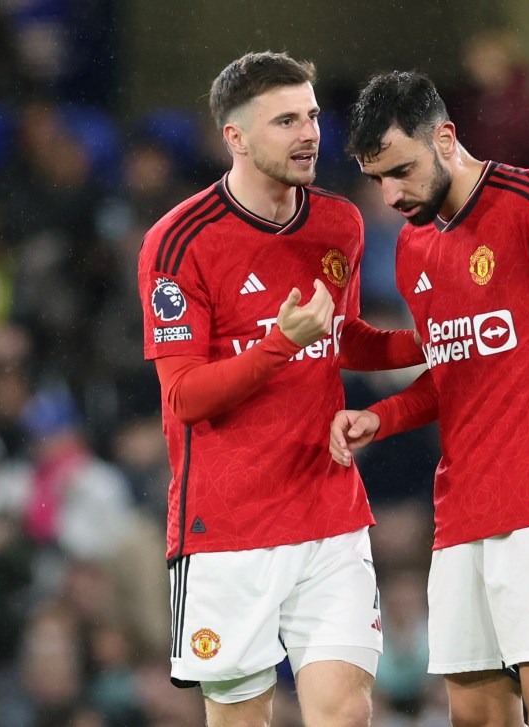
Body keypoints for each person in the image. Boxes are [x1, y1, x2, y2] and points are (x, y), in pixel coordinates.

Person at [332, 71, 529, 727]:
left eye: (402, 170)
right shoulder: (416, 247)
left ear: (446, 138)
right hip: (459, 515)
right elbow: (457, 373)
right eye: (378, 180)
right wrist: (381, 415)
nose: (392, 194)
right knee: (474, 713)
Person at [136, 52, 423, 727]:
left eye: (314, 116)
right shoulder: (178, 242)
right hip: (226, 527)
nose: (309, 134)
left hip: (328, 510)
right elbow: (184, 396)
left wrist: (436, 335)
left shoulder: (338, 225)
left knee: (347, 712)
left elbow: (345, 338)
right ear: (234, 137)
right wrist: (279, 344)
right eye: (286, 120)